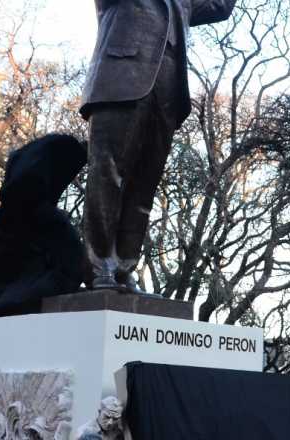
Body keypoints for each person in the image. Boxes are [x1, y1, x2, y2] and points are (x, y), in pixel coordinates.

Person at [81, 0, 237, 292]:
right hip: (120, 79)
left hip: (168, 89)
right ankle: (98, 265)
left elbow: (220, 7)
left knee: (144, 186)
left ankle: (124, 267)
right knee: (107, 172)